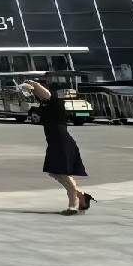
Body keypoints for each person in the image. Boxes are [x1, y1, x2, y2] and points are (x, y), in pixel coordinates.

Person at [21, 77, 95, 215]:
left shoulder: (54, 101)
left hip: (61, 141)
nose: (36, 93)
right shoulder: (45, 104)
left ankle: (73, 206)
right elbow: (40, 95)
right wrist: (28, 88)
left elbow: (44, 93)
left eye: (37, 91)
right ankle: (81, 196)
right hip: (54, 141)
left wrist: (32, 83)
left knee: (62, 173)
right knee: (55, 172)